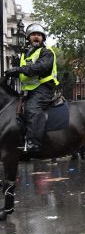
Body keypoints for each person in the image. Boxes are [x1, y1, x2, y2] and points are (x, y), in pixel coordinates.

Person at [4, 23, 59, 153]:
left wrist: (19, 69)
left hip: (44, 89)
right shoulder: (24, 55)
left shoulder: (46, 52)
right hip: (28, 90)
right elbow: (19, 71)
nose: (36, 37)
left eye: (39, 35)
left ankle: (34, 143)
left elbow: (40, 67)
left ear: (43, 38)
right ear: (28, 38)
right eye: (33, 35)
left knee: (32, 108)